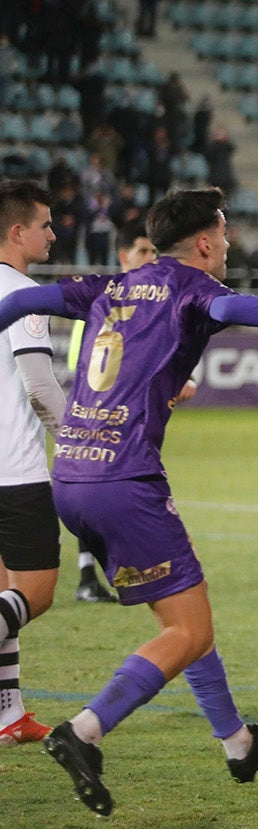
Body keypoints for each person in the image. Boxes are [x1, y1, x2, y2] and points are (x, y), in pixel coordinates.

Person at [0, 187, 258, 816]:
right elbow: (246, 308)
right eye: (226, 234)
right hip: (125, 483)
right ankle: (86, 730)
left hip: (71, 477)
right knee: (189, 628)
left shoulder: (112, 284)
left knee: (185, 611)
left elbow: (18, 299)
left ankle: (238, 742)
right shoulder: (192, 288)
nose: (229, 245)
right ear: (205, 242)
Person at [0, 181, 66, 745]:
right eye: (45, 223)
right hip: (14, 472)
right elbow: (41, 389)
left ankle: (8, 715)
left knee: (2, 595)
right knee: (35, 594)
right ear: (17, 231)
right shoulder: (25, 294)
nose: (53, 232)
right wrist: (81, 441)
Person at [66, 220, 163, 603]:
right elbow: (82, 367)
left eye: (154, 251)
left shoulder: (153, 301)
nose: (151, 258)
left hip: (133, 421)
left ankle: (104, 573)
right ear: (123, 257)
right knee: (101, 498)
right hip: (99, 421)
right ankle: (95, 574)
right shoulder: (102, 301)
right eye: (144, 251)